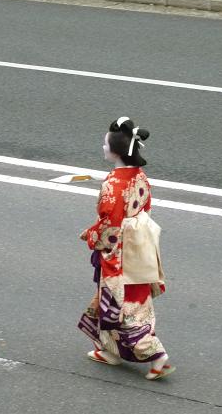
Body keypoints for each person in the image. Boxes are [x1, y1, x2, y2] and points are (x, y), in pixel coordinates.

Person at [78, 116, 175, 380]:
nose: (102, 147)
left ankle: (157, 356)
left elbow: (110, 225)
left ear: (116, 151)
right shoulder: (139, 177)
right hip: (138, 247)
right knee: (122, 300)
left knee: (124, 306)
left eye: (105, 144)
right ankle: (108, 350)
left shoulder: (113, 185)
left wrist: (92, 236)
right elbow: (143, 209)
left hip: (118, 252)